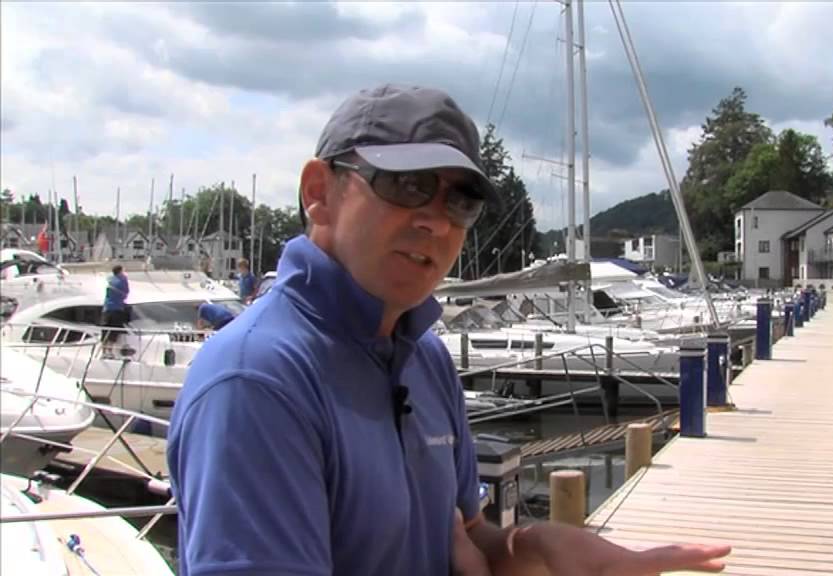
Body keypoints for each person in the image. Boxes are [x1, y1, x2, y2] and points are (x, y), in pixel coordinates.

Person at [168, 84, 730, 576]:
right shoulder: (257, 382)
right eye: (406, 185)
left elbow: (468, 544)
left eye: (460, 201)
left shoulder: (425, 359)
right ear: (319, 192)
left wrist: (532, 549)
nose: (436, 220)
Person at [101, 264, 130, 357]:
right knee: (114, 331)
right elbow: (126, 292)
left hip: (107, 308)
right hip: (117, 308)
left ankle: (103, 351)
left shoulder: (110, 279)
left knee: (105, 330)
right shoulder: (122, 279)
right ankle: (110, 351)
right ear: (120, 271)